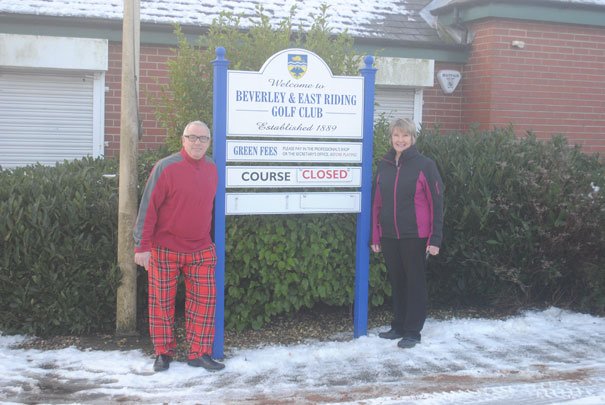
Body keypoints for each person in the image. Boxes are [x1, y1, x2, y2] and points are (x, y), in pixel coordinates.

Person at [134, 120, 225, 372]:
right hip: (164, 247)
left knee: (204, 303)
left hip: (201, 248)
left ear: (209, 142)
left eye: (203, 138)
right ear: (182, 139)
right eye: (192, 137)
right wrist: (141, 246)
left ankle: (199, 353)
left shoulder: (212, 169)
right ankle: (163, 353)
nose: (197, 143)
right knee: (161, 303)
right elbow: (148, 207)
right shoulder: (166, 167)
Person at [371, 118, 444, 349]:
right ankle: (399, 325)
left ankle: (413, 331)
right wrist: (375, 236)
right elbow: (376, 204)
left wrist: (435, 238)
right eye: (396, 135)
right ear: (391, 138)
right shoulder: (384, 165)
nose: (400, 140)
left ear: (412, 138)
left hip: (416, 235)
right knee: (398, 281)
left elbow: (436, 203)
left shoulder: (425, 165)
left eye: (405, 136)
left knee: (415, 283)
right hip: (390, 235)